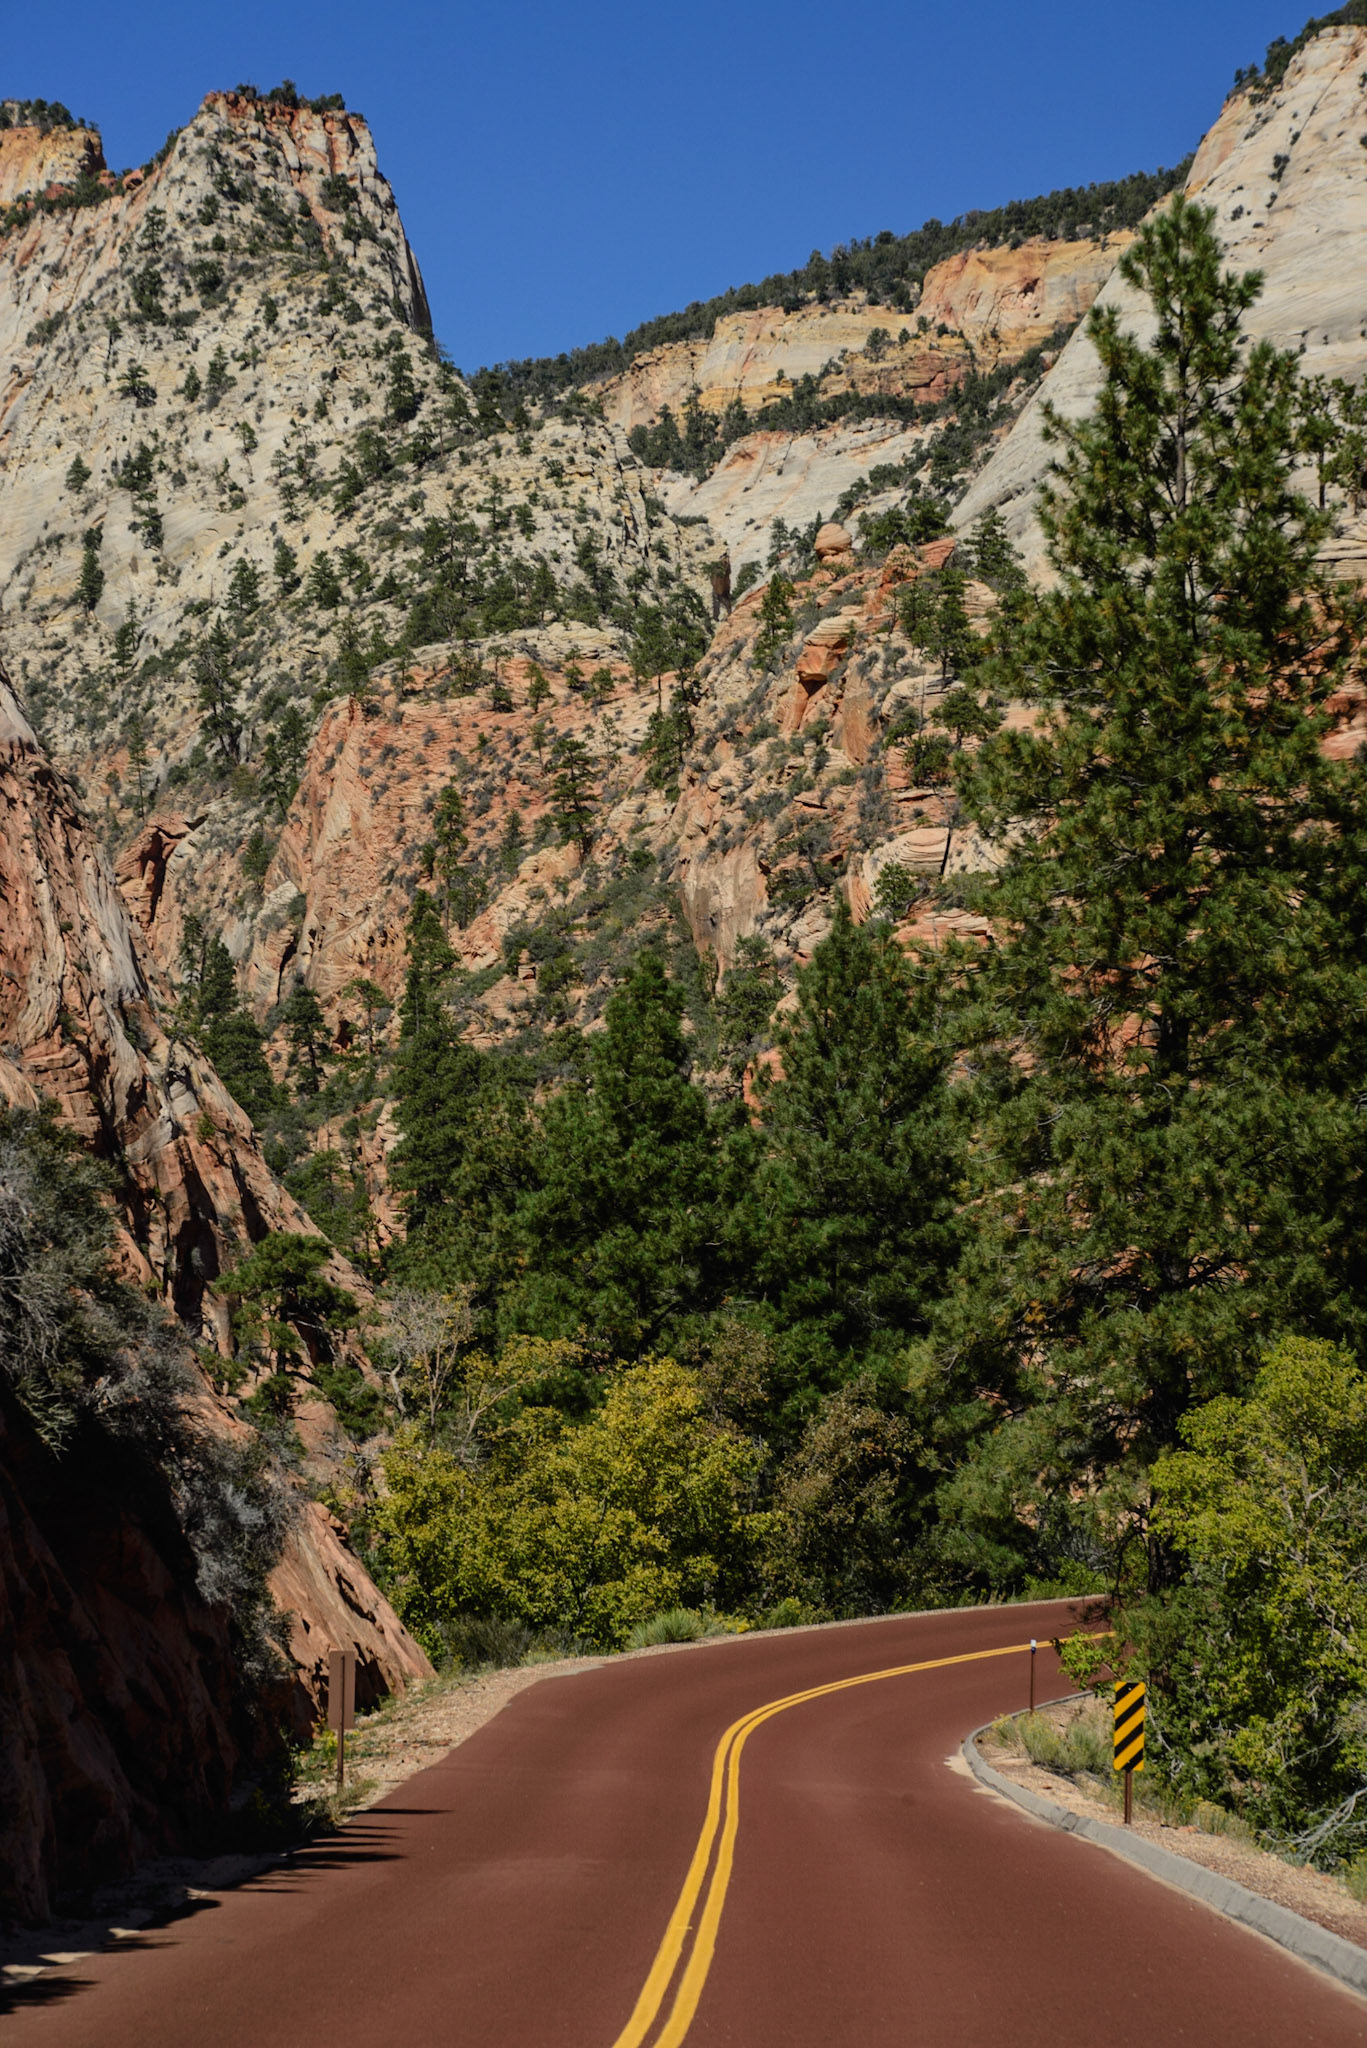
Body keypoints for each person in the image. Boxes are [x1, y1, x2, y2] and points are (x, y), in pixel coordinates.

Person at [710, 549, 732, 621]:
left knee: (723, 602)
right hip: (720, 589)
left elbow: (728, 571)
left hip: (721, 589)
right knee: (723, 602)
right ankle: (718, 617)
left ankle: (725, 616)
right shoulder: (724, 563)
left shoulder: (724, 563)